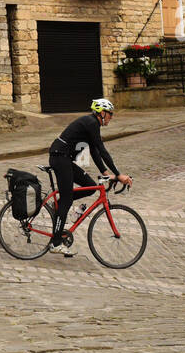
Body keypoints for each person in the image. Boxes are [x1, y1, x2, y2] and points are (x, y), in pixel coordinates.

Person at [47, 99, 132, 252]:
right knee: (66, 200)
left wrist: (107, 174)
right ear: (102, 113)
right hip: (60, 158)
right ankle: (55, 243)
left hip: (64, 158)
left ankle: (58, 205)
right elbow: (103, 150)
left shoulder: (91, 124)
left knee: (90, 187)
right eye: (110, 114)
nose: (111, 118)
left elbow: (95, 152)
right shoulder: (91, 123)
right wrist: (119, 175)